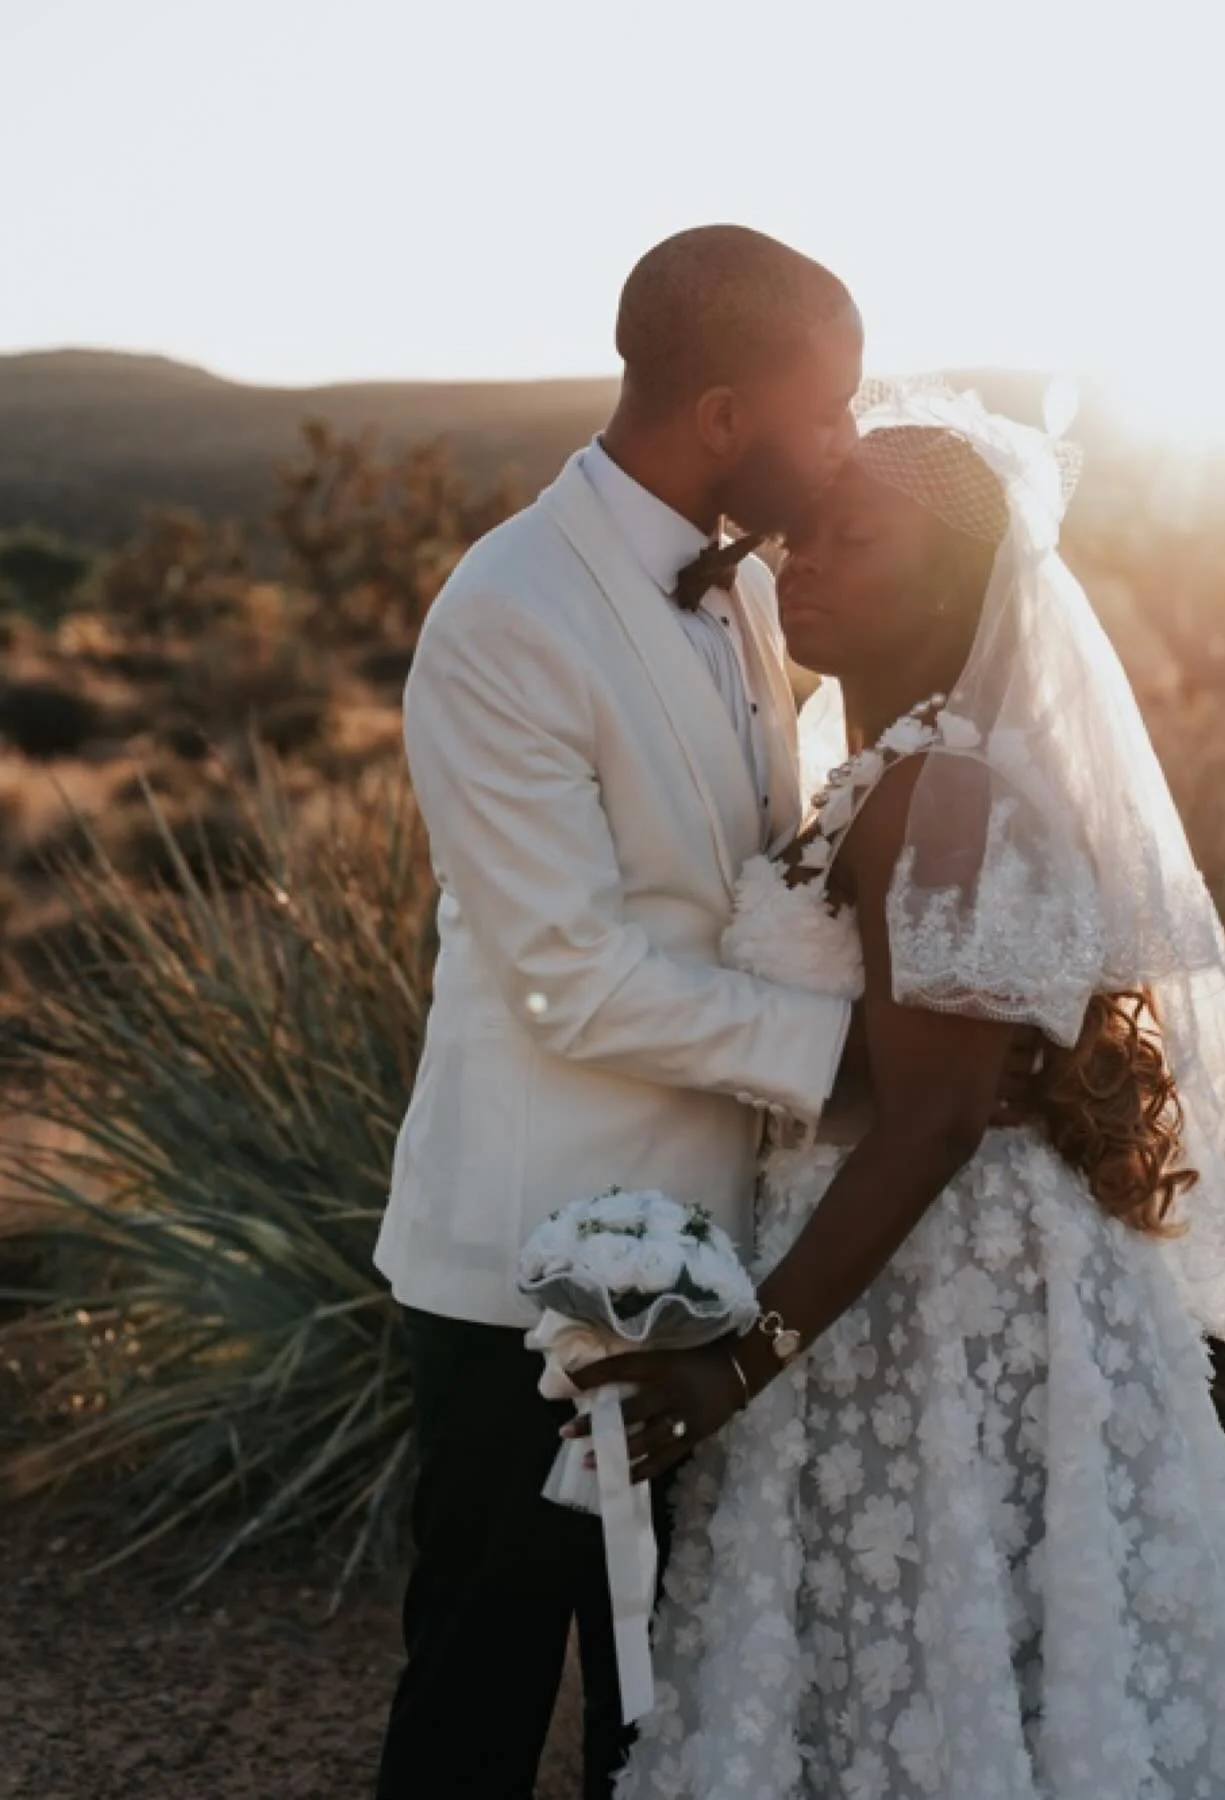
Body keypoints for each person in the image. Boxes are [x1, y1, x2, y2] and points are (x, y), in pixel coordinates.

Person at [574, 382, 1225, 1798]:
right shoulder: (886, 777)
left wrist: (741, 1359)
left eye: (851, 542)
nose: (798, 563)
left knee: (963, 1635)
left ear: (955, 590)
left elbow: (938, 1119)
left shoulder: (941, 790)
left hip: (947, 1294)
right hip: (889, 1269)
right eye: (797, 537)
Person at [375, 223, 933, 1798]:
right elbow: (569, 964)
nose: (840, 448)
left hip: (719, 1249)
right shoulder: (509, 612)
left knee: (669, 1695)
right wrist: (863, 1068)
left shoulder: (753, 591)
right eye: (824, 416)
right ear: (721, 417)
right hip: (527, 1264)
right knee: (483, 1679)